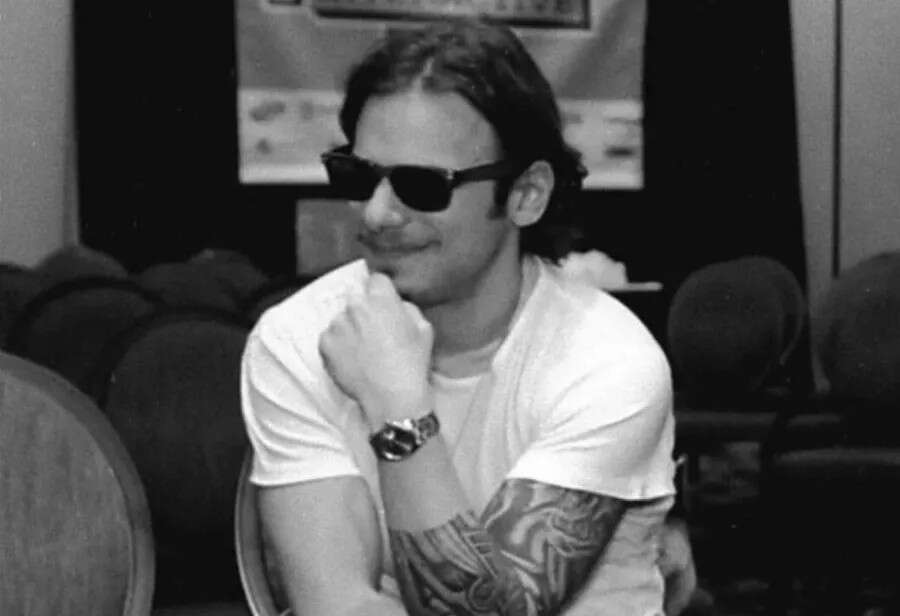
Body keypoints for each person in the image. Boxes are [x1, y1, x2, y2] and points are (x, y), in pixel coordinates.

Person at [241, 17, 678, 615]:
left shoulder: (608, 363)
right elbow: (337, 605)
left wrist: (398, 411)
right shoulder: (297, 337)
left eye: (422, 186)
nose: (377, 214)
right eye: (359, 176)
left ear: (526, 194)